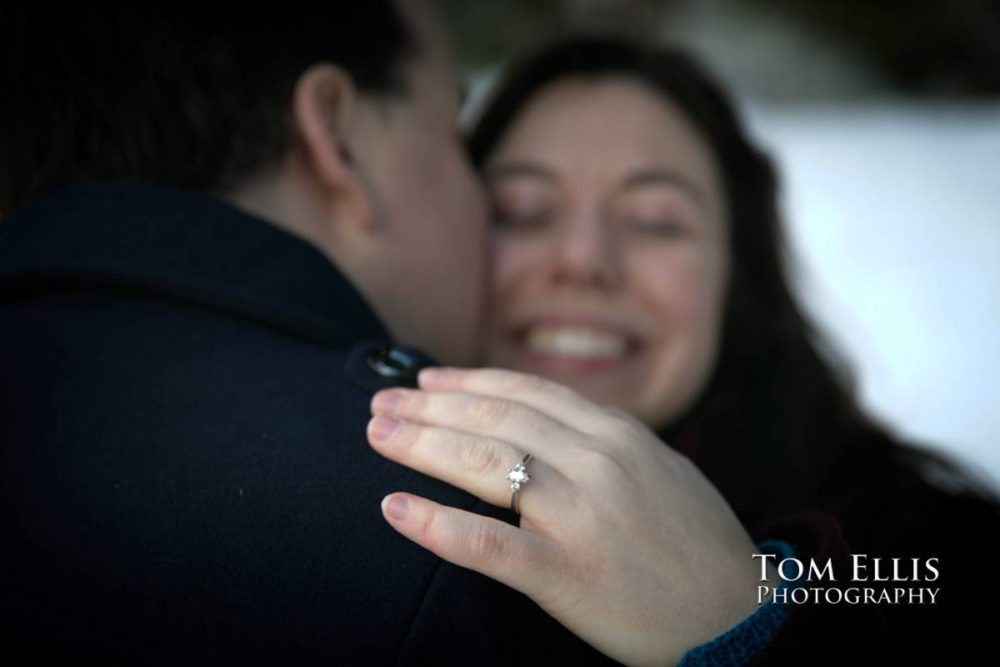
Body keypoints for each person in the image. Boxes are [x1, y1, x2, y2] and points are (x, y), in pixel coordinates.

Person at [0, 6, 626, 664]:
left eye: (657, 223)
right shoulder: (458, 543)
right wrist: (745, 604)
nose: (578, 262)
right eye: (456, 135)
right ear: (337, 134)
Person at [362, 35, 1000, 665]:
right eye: (523, 210)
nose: (584, 261)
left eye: (655, 222)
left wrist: (754, 619)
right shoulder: (352, 513)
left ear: (736, 276)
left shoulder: (932, 548)